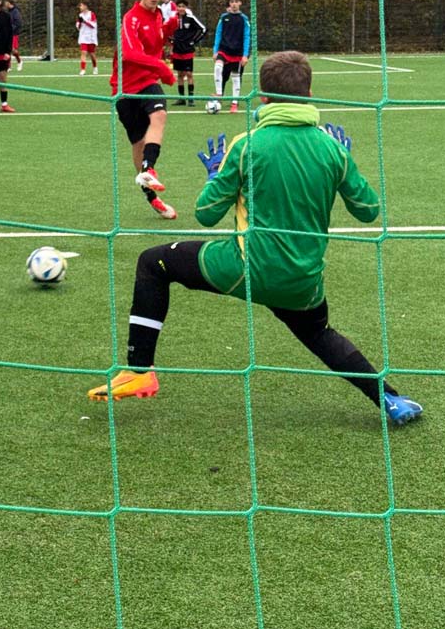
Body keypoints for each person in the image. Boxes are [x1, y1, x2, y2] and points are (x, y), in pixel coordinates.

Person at [88, 50, 423, 426]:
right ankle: (389, 398)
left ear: (262, 97)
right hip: (302, 281)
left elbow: (206, 214)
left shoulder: (246, 144)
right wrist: (345, 161)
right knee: (319, 334)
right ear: (310, 95)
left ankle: (139, 369)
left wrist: (216, 176)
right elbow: (368, 210)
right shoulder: (332, 149)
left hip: (245, 269)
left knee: (154, 263)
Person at [111, 0, 179, 221]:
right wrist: (162, 68)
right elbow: (130, 53)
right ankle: (152, 198)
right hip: (125, 88)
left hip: (147, 83)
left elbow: (157, 39)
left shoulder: (159, 15)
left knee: (159, 115)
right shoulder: (131, 18)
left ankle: (149, 169)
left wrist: (172, 25)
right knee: (138, 145)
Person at [213, 0, 251, 114]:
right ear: (229, 4)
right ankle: (219, 94)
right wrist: (215, 51)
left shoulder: (244, 19)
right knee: (218, 68)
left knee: (236, 77)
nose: (234, 4)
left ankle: (234, 103)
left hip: (237, 53)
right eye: (232, 2)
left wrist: (245, 55)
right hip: (224, 50)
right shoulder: (223, 18)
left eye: (236, 1)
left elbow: (247, 37)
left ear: (240, 3)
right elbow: (218, 34)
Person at [170, 0, 206, 106]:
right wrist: (171, 41)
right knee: (180, 74)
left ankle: (191, 99)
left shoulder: (190, 18)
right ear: (176, 7)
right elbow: (166, 30)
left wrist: (194, 41)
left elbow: (203, 29)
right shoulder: (173, 19)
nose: (181, 8)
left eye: (183, 6)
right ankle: (182, 99)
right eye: (179, 6)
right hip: (177, 50)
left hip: (188, 50)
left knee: (189, 74)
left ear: (186, 7)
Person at [76, 1, 99, 75]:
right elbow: (78, 26)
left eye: (81, 6)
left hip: (91, 37)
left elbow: (93, 25)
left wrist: (84, 21)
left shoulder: (91, 14)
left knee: (92, 54)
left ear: (85, 6)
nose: (80, 7)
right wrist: (80, 23)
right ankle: (83, 69)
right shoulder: (80, 15)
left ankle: (95, 67)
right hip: (83, 37)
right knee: (83, 52)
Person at [5, 0, 23, 70]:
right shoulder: (8, 11)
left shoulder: (16, 12)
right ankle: (8, 66)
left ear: (9, 3)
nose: (5, 4)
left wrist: (10, 29)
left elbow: (18, 23)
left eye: (6, 2)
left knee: (13, 50)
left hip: (14, 34)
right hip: (7, 34)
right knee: (7, 49)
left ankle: (19, 61)